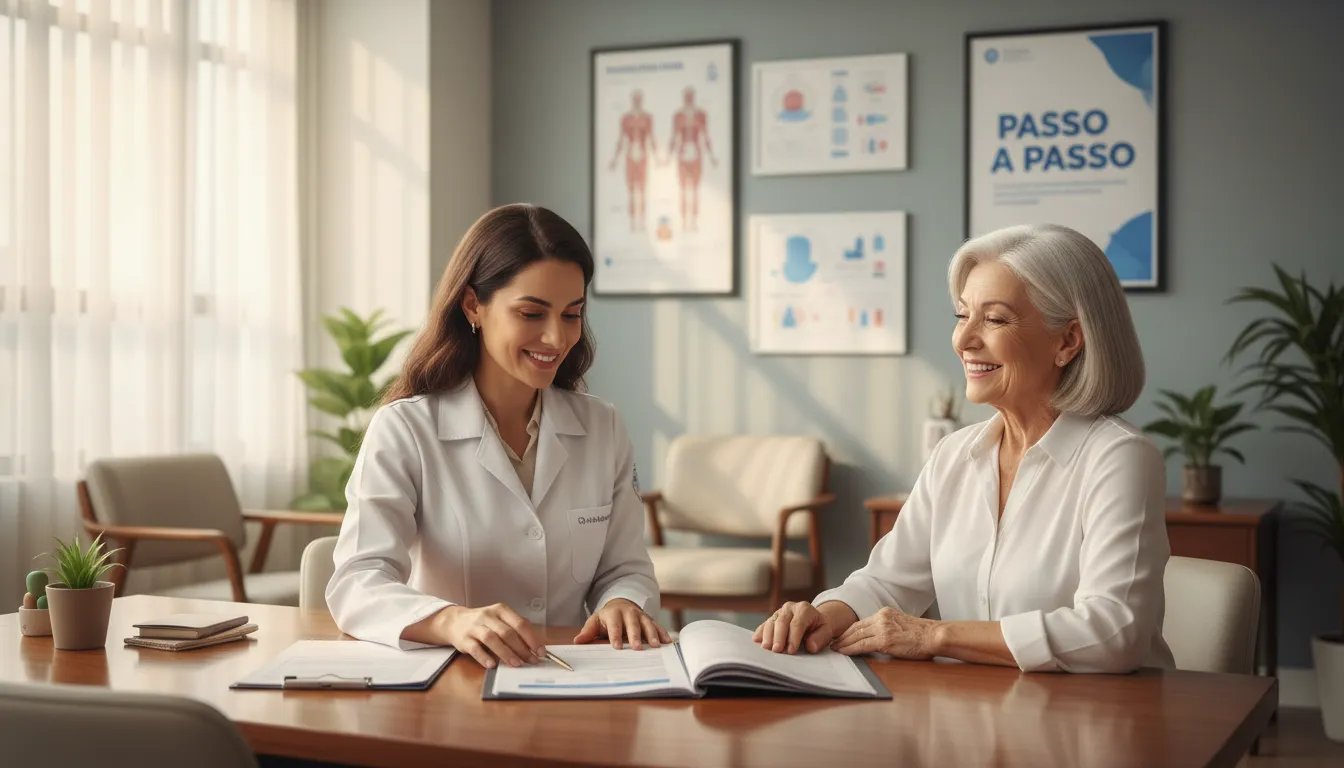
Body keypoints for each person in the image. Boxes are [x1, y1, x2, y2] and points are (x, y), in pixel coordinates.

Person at [754, 224, 1176, 674]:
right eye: (962, 315)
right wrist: (826, 614)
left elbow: (1113, 632)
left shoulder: (1119, 458)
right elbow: (888, 581)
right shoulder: (955, 454)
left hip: (1099, 722)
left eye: (994, 319)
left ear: (1068, 341)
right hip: (976, 716)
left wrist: (935, 635)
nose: (964, 339)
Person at [327, 204, 671, 668]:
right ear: (474, 305)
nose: (556, 338)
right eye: (531, 313)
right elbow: (358, 580)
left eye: (572, 314)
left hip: (571, 679)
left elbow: (625, 568)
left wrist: (622, 602)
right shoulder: (406, 429)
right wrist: (451, 621)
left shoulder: (602, 427)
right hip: (450, 679)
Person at [663, 86, 716, 232]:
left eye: (690, 96)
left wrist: (711, 156)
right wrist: (668, 156)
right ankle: (684, 220)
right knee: (684, 188)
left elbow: (705, 136)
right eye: (686, 96)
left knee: (695, 188)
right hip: (683, 152)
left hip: (696, 152)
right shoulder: (678, 116)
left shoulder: (701, 115)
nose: (688, 99)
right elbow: (674, 137)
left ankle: (694, 221)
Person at [608, 90, 656, 232]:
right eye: (635, 99)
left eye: (639, 99)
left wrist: (659, 159)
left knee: (642, 190)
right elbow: (621, 140)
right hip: (630, 156)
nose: (637, 101)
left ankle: (642, 222)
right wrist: (615, 159)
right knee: (631, 190)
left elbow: (651, 139)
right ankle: (632, 223)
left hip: (642, 156)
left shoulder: (647, 118)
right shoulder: (626, 118)